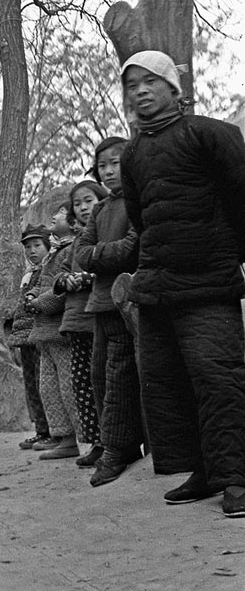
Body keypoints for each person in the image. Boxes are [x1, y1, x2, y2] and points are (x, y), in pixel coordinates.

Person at [120, 50, 245, 518]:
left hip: (207, 284)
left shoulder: (212, 135)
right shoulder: (133, 153)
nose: (141, 91)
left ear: (173, 87)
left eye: (150, 81)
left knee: (219, 379)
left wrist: (227, 256)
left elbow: (241, 198)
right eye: (132, 85)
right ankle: (204, 471)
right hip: (157, 287)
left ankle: (237, 476)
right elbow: (140, 217)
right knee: (169, 386)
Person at [76, 136, 143, 488]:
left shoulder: (136, 201)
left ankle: (119, 449)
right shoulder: (102, 209)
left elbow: (131, 248)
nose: (108, 170)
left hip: (126, 302)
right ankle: (112, 444)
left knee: (119, 377)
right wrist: (103, 254)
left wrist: (97, 256)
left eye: (115, 163)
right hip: (101, 302)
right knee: (100, 376)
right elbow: (79, 252)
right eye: (102, 165)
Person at [50, 180, 109, 468]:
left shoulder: (108, 234)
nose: (84, 208)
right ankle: (97, 442)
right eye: (77, 204)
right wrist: (66, 280)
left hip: (101, 317)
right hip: (76, 322)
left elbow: (116, 268)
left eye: (89, 200)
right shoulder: (73, 246)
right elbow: (58, 278)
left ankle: (116, 442)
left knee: (105, 383)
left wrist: (84, 279)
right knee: (82, 385)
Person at [24, 206, 79, 460]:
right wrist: (34, 295)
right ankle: (64, 438)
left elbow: (60, 290)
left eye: (58, 213)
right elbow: (44, 283)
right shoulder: (54, 254)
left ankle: (79, 440)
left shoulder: (70, 250)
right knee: (49, 388)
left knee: (69, 388)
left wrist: (39, 303)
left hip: (60, 331)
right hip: (45, 333)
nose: (53, 218)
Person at [7, 224, 51, 450]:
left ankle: (52, 432)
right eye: (28, 247)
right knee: (31, 385)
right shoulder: (28, 274)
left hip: (39, 336)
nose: (32, 251)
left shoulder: (47, 270)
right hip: (25, 338)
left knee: (44, 385)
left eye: (37, 245)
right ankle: (40, 430)